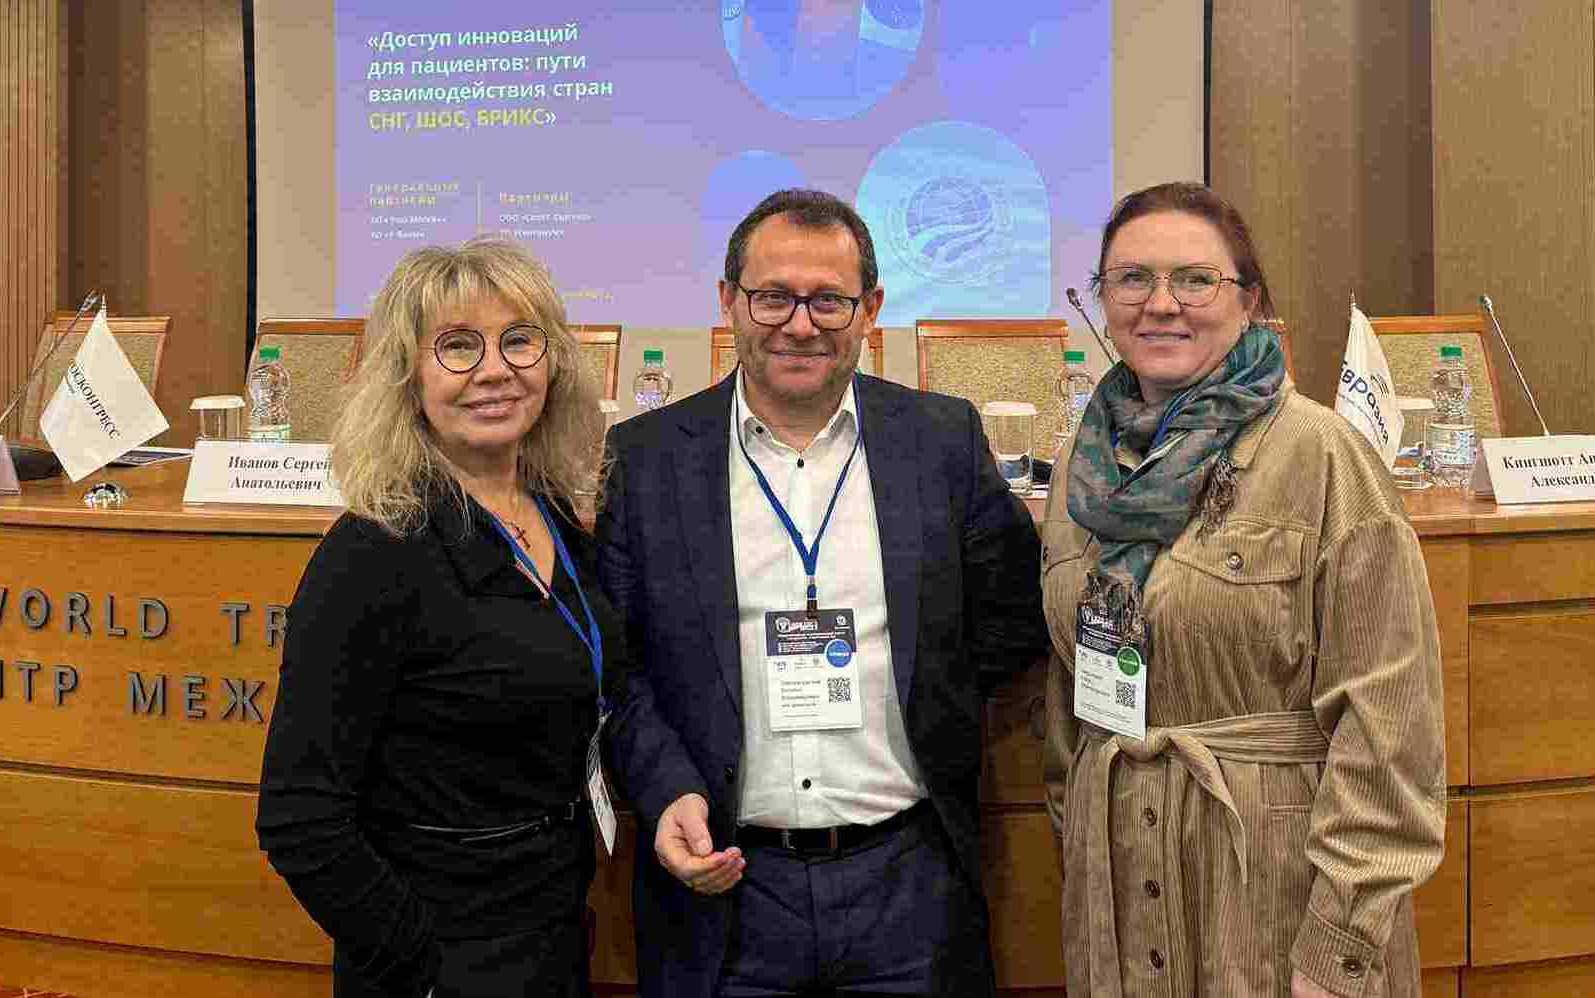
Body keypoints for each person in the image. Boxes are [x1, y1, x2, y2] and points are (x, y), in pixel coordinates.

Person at [597, 188, 1050, 996]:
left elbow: (1012, 621)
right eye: (773, 296)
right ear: (729, 300)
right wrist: (665, 788)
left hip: (910, 883)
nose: (800, 324)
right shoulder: (644, 460)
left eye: (829, 300)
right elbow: (618, 666)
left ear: (870, 309)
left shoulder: (941, 440)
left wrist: (933, 694)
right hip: (725, 887)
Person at [1041, 181, 1445, 998]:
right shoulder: (1080, 471)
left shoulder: (1321, 457)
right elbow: (1066, 704)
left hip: (1275, 895)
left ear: (1249, 299)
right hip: (1118, 899)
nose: (1161, 304)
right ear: (1102, 301)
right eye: (1131, 279)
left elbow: (1390, 733)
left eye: (1195, 279)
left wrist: (1337, 953)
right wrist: (1082, 834)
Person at [256, 236, 617, 998]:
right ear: (407, 376)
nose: (495, 370)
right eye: (457, 346)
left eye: (519, 341)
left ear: (553, 364)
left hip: (552, 933)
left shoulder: (557, 519)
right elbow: (300, 816)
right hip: (442, 962)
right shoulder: (371, 553)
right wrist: (419, 965)